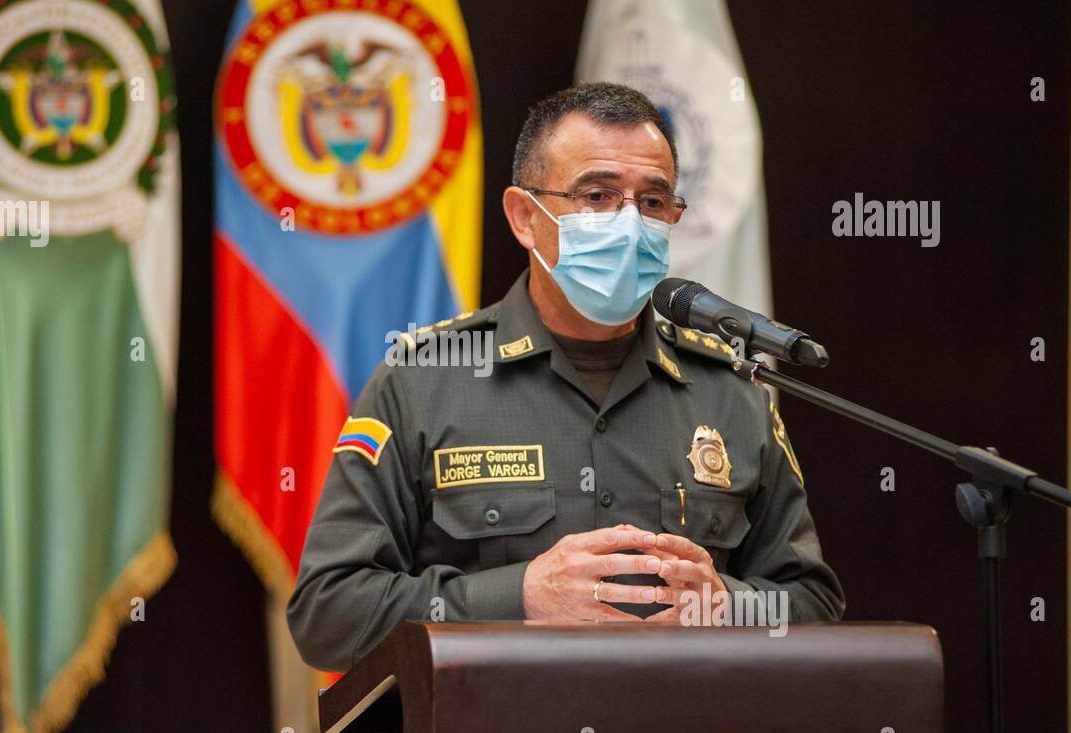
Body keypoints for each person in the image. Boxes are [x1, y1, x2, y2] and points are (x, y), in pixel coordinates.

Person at [288, 82, 844, 673]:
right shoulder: (425, 380)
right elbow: (328, 615)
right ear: (525, 217)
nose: (629, 223)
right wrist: (515, 597)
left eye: (653, 202)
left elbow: (813, 604)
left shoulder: (730, 390)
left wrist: (725, 605)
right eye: (598, 195)